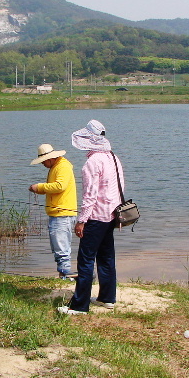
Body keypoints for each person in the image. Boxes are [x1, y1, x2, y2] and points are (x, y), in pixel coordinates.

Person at [58, 119, 123, 315]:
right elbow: (119, 188)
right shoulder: (112, 157)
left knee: (85, 260)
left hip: (96, 217)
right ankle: (107, 298)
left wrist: (81, 221)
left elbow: (90, 196)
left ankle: (79, 306)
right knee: (106, 257)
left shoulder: (92, 162)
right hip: (112, 215)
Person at [29, 143, 77, 279]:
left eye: (43, 161)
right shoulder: (56, 166)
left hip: (62, 214)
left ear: (50, 158)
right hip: (58, 213)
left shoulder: (63, 166)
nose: (43, 164)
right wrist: (40, 189)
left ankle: (66, 276)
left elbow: (60, 186)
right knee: (58, 246)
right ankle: (64, 274)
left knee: (62, 248)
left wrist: (39, 187)